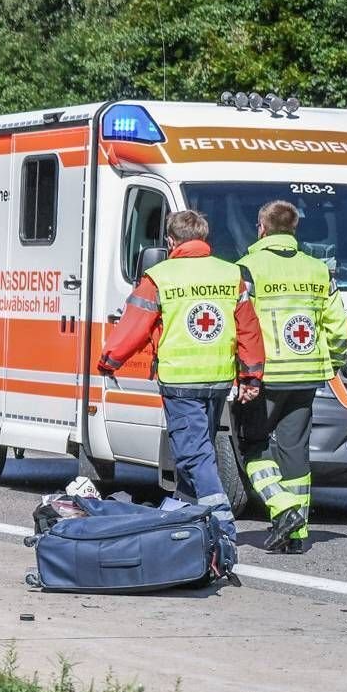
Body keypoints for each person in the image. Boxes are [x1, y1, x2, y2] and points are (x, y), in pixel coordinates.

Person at [97, 209, 264, 543]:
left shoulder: (160, 276)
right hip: (218, 381)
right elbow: (249, 329)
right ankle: (183, 522)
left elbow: (134, 325)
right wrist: (251, 376)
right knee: (195, 450)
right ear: (204, 238)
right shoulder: (231, 274)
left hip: (180, 381)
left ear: (170, 241)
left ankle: (223, 524)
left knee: (193, 453)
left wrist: (110, 360)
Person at [237, 200, 347, 554]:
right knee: (295, 452)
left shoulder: (247, 269)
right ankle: (297, 536)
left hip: (266, 376)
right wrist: (333, 362)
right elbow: (338, 328)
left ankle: (283, 507)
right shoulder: (319, 270)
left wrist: (240, 371)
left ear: (261, 227)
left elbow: (239, 324)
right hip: (307, 376)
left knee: (251, 447)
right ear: (294, 229)